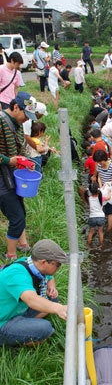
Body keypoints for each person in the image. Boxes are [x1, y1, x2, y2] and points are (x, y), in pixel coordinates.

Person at [0, 238, 68, 347]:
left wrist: (51, 287)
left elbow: (49, 276)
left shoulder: (30, 262)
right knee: (45, 329)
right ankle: (14, 341)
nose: (59, 268)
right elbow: (31, 299)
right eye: (57, 265)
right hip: (4, 320)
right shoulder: (16, 274)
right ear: (44, 262)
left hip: (16, 309)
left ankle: (24, 325)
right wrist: (58, 309)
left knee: (53, 299)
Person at [0, 91, 37, 259]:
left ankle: (23, 244)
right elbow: (8, 157)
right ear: (15, 107)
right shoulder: (1, 121)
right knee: (16, 217)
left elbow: (19, 148)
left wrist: (24, 161)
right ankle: (11, 256)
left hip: (13, 176)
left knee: (20, 211)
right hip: (2, 177)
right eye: (26, 114)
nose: (27, 119)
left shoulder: (17, 123)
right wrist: (9, 160)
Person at [94, 149, 112, 232]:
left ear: (104, 159)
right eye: (98, 162)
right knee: (110, 211)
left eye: (100, 162)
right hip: (104, 191)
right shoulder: (99, 166)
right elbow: (99, 176)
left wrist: (110, 182)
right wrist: (101, 185)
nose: (99, 164)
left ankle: (109, 230)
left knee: (110, 212)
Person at [84, 181, 110, 248]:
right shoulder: (101, 198)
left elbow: (86, 192)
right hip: (101, 217)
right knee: (100, 232)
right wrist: (109, 191)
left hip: (92, 217)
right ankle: (101, 245)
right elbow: (108, 198)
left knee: (91, 232)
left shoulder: (89, 198)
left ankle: (88, 245)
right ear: (98, 190)